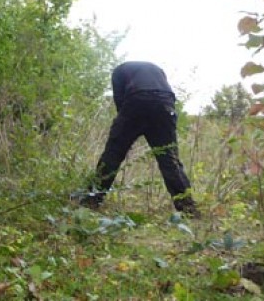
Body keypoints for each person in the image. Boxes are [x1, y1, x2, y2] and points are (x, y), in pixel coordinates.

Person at [79, 61, 200, 218]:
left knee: (113, 154)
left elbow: (120, 103)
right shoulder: (158, 71)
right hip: (165, 104)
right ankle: (188, 209)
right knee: (170, 159)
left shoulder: (118, 72)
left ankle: (91, 201)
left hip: (136, 100)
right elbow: (167, 96)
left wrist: (126, 135)